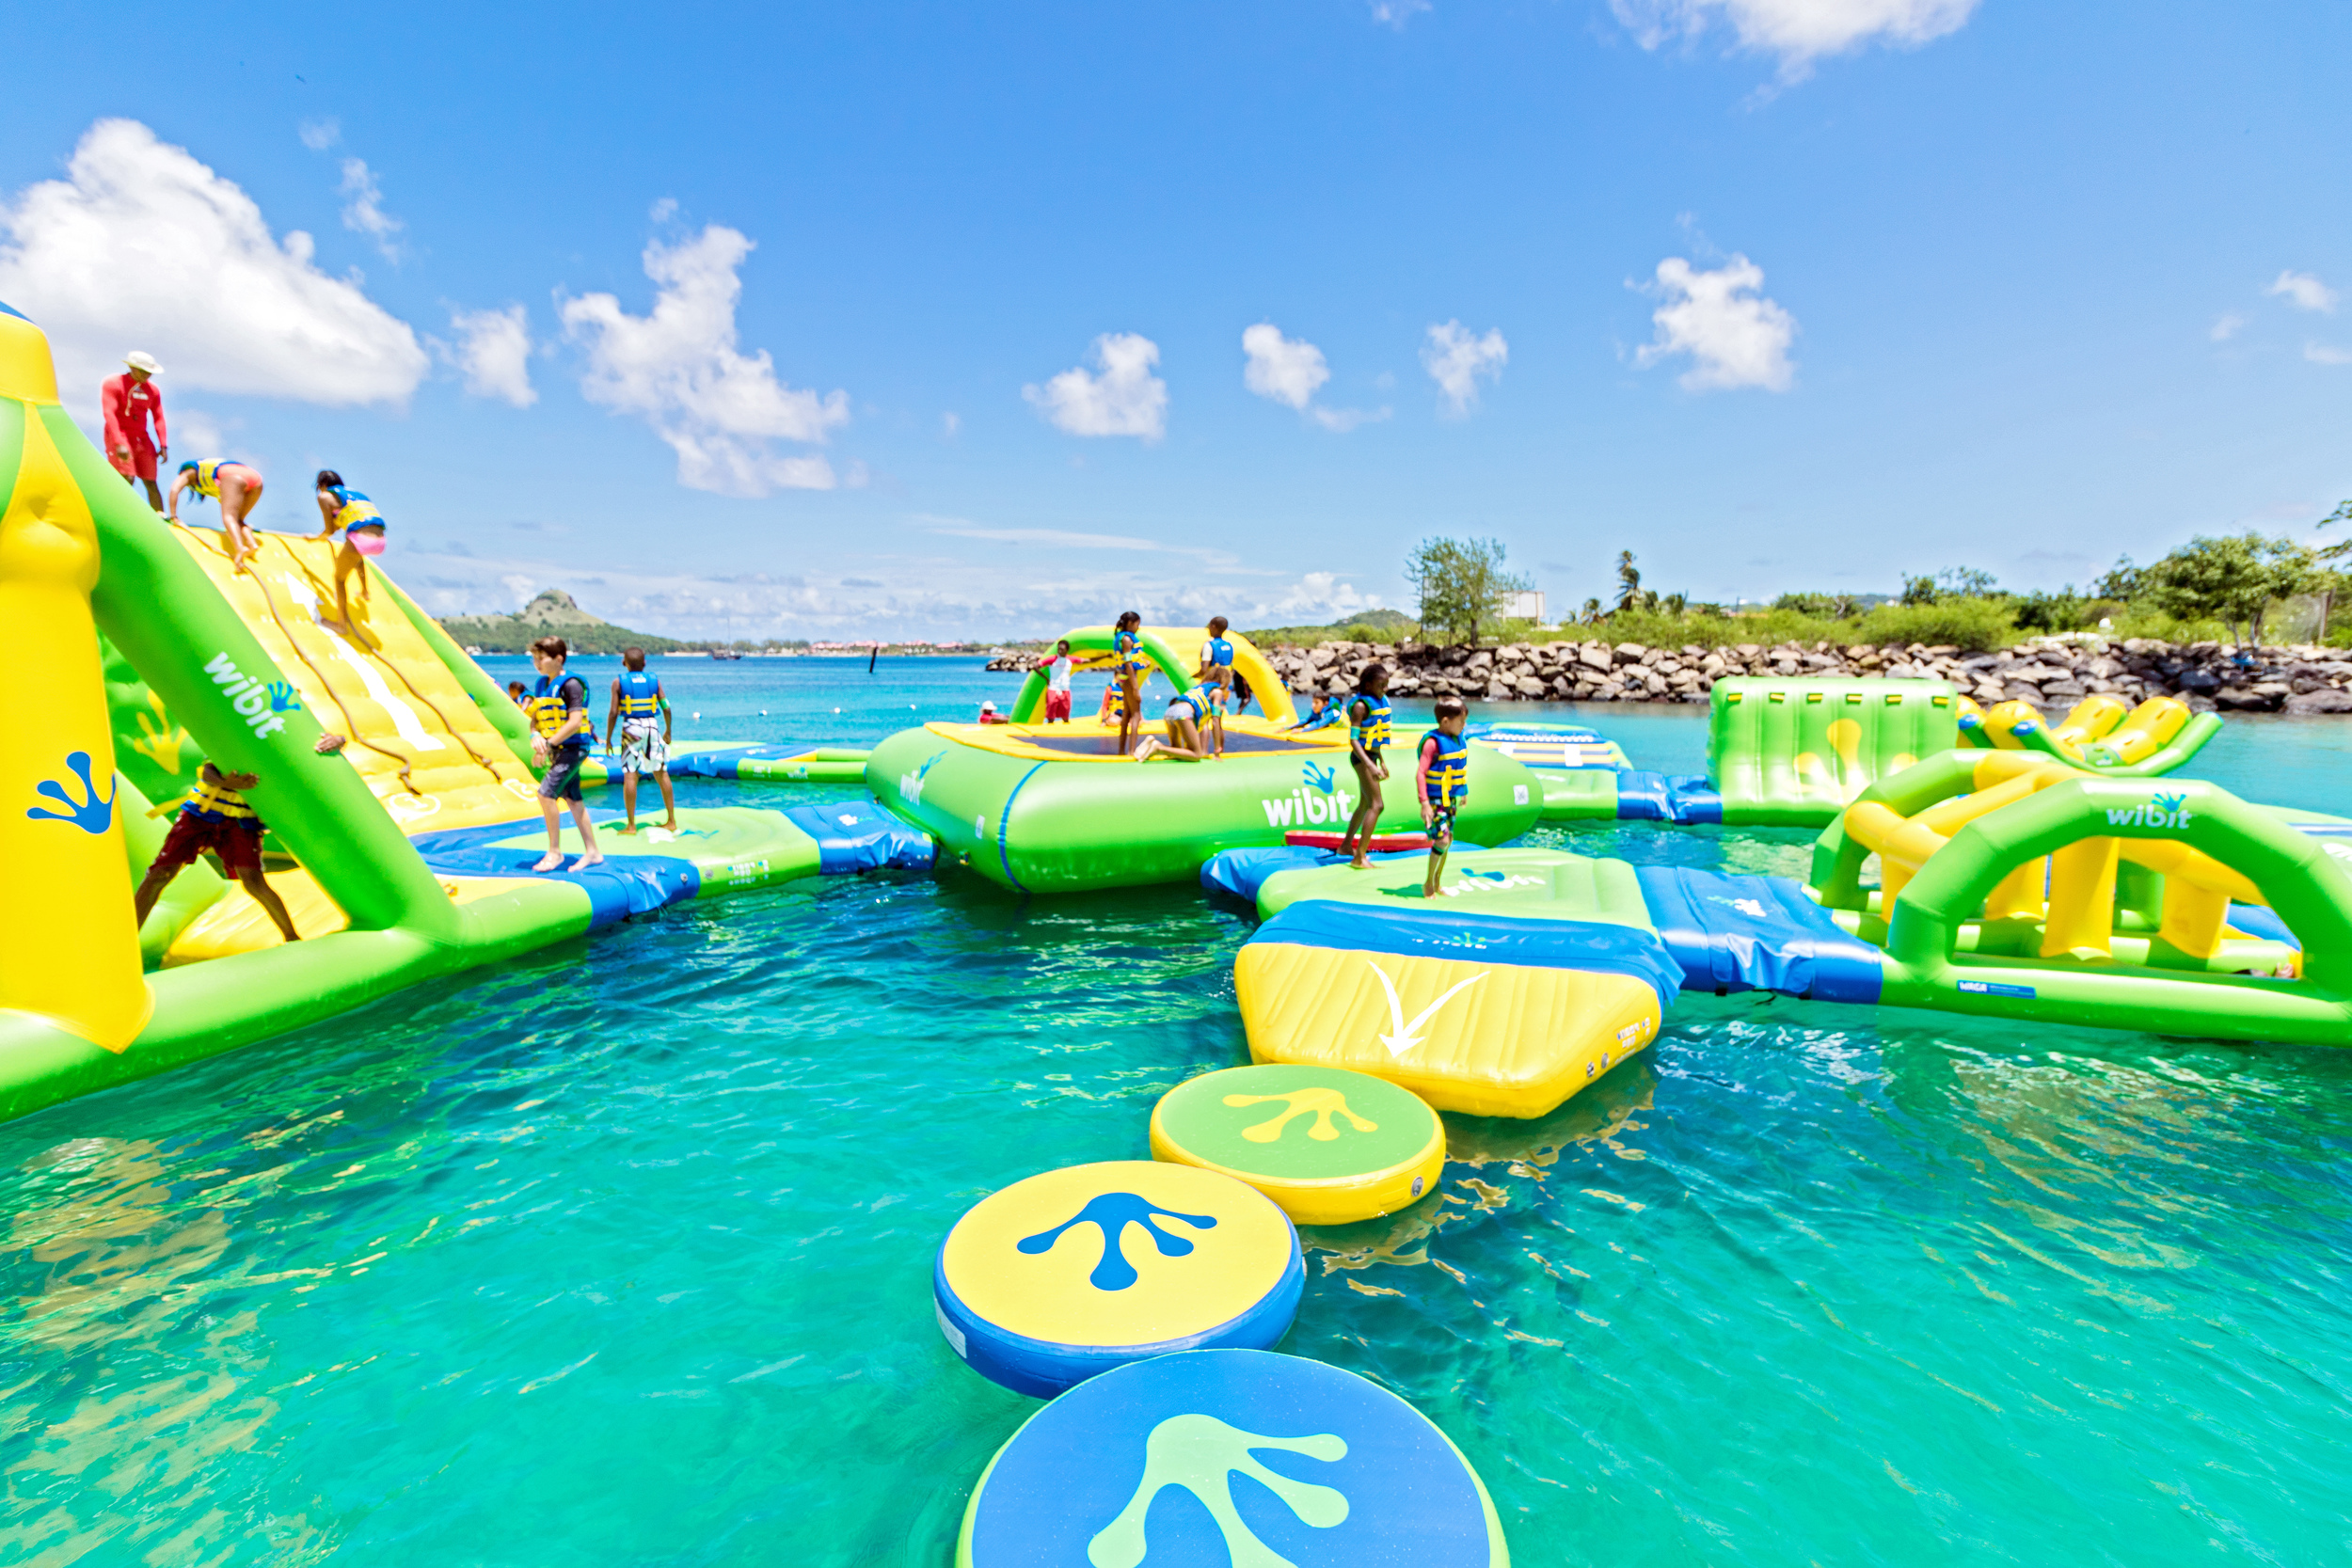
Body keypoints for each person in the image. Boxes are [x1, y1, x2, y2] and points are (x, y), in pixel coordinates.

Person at [133, 759, 299, 944]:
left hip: (240, 819)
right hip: (201, 812)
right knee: (159, 874)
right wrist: (226, 783)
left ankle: (292, 937)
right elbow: (207, 769)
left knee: (252, 879)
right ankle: (128, 937)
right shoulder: (231, 740)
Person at [524, 636, 603, 872]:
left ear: (559, 659)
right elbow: (535, 721)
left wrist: (548, 744)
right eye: (534, 659)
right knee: (573, 799)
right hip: (557, 748)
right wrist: (534, 736)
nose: (537, 663)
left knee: (545, 794)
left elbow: (576, 721)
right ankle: (593, 852)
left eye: (542, 658)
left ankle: (555, 852)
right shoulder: (541, 685)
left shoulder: (571, 685)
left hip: (573, 748)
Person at [605, 645, 676, 834]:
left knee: (630, 774)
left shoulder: (618, 682)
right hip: (652, 725)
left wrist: (608, 739)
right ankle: (671, 820)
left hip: (631, 727)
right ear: (645, 663)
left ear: (624, 663)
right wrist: (668, 730)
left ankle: (631, 825)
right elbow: (666, 708)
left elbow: (613, 713)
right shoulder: (655, 680)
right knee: (661, 772)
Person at [311, 470, 387, 632]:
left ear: (322, 485)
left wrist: (316, 538)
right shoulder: (355, 496)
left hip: (360, 539)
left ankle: (341, 625)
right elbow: (342, 522)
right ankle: (365, 591)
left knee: (339, 578)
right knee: (356, 557)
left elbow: (330, 530)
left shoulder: (324, 497)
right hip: (380, 540)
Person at [1335, 664, 1392, 869]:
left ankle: (1345, 847)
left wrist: (1381, 761)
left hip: (1372, 757)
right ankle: (1359, 856)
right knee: (1377, 805)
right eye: (1380, 685)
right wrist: (1371, 765)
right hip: (1361, 759)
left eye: (1386, 685)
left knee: (1365, 804)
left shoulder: (1379, 701)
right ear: (1368, 685)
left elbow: (1374, 740)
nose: (1384, 689)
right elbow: (1354, 741)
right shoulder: (1360, 706)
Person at [168, 458, 266, 570]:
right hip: (255, 478)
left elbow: (174, 489)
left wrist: (173, 516)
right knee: (238, 520)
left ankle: (240, 548)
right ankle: (252, 544)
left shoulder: (187, 472)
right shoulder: (213, 477)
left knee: (229, 517)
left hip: (232, 474)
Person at [1416, 697, 1470, 898]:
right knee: (1442, 840)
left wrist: (1463, 791)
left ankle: (1437, 881)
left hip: (1451, 800)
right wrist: (1424, 803)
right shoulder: (1432, 743)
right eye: (1461, 721)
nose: (1464, 726)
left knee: (1449, 840)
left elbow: (1458, 768)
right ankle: (1428, 883)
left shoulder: (1457, 739)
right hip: (1434, 801)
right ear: (1446, 721)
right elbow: (1421, 773)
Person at [101, 352, 167, 512]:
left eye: (149, 372)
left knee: (150, 481)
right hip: (120, 435)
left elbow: (159, 417)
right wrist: (118, 442)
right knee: (127, 477)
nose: (147, 375)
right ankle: (117, 513)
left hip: (142, 438)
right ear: (131, 367)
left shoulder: (153, 390)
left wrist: (163, 445)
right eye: (143, 371)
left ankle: (161, 519)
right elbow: (109, 413)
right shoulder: (113, 383)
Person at [1134, 680, 1221, 761]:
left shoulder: (1199, 688)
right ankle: (1158, 747)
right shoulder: (1218, 691)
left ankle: (1151, 741)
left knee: (1177, 752)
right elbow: (1215, 720)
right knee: (1196, 754)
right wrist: (1217, 750)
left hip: (1170, 711)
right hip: (1183, 713)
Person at [1112, 610, 1146, 756]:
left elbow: (1130, 661)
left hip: (1124, 678)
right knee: (1136, 714)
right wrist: (1136, 688)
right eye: (1137, 624)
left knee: (1126, 714)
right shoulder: (1127, 640)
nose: (1138, 628)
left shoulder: (1122, 638)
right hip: (1128, 679)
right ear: (1131, 623)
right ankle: (1132, 751)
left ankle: (1121, 751)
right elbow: (1128, 664)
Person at [1039, 640, 1076, 723]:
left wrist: (1105, 656)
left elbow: (1087, 660)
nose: (1059, 651)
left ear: (1067, 650)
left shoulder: (1070, 659)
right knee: (1050, 716)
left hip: (1065, 689)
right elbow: (1035, 666)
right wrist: (1046, 678)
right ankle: (1049, 732)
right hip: (1053, 689)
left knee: (1065, 715)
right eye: (1058, 649)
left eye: (1062, 649)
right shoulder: (1053, 659)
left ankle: (1066, 733)